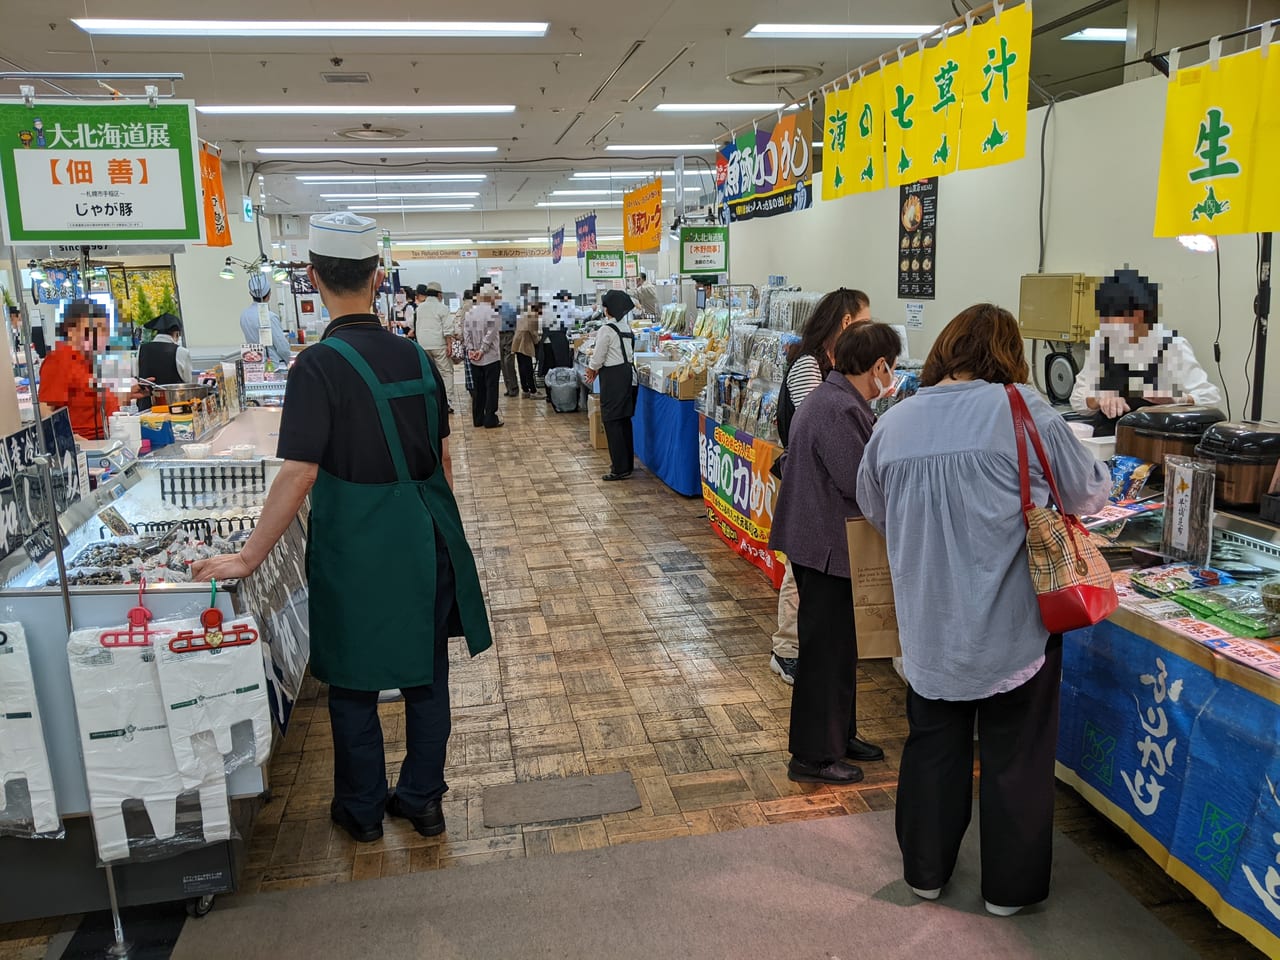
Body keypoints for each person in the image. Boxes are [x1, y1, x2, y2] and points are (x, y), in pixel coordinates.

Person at [192, 211, 492, 844]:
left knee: (353, 681)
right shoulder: (419, 358)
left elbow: (299, 473)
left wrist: (246, 557)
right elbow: (441, 465)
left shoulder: (316, 367)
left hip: (356, 546)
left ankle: (360, 812)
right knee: (425, 673)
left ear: (312, 278)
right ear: (378, 278)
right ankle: (423, 801)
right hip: (425, 536)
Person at [858, 304, 1110, 916]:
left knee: (931, 748)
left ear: (946, 349)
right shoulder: (1024, 410)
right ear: (1009, 353)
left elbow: (873, 507)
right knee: (1016, 758)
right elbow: (1089, 490)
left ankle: (924, 873)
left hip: (928, 623)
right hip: (1015, 625)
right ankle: (1009, 892)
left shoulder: (895, 420)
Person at [769, 321, 900, 787]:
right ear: (879, 365)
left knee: (841, 649)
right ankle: (813, 754)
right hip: (824, 545)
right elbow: (858, 481)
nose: (893, 375)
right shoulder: (839, 408)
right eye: (892, 366)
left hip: (820, 541)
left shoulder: (837, 397)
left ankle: (840, 735)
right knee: (825, 653)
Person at [770, 288, 871, 686]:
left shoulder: (826, 367)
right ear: (846, 323)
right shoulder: (810, 369)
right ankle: (787, 650)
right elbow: (823, 427)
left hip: (818, 493)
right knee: (800, 577)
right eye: (865, 320)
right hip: (812, 493)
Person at [1070, 268, 1221, 434]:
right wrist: (1099, 397)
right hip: (1108, 436)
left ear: (1140, 314)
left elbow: (1210, 399)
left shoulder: (1171, 345)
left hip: (1154, 440)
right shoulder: (1103, 341)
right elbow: (1078, 399)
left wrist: (1176, 398)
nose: (1106, 323)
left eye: (1113, 316)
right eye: (1104, 316)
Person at [38, 298, 120, 440]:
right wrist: (70, 438)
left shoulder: (90, 361)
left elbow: (86, 401)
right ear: (71, 330)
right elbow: (46, 409)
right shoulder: (60, 359)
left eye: (104, 330)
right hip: (85, 445)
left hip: (108, 439)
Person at [585, 290, 637, 481]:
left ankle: (619, 468)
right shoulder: (626, 328)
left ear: (609, 309)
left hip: (614, 379)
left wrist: (592, 369)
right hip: (629, 376)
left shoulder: (607, 330)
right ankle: (627, 464)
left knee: (612, 421)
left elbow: (598, 356)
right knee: (624, 421)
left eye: (605, 306)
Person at [463, 282, 503, 428]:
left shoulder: (470, 313)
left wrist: (471, 350)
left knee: (478, 389)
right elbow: (490, 335)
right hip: (490, 357)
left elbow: (466, 333)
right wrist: (482, 350)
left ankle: (478, 419)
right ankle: (490, 419)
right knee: (491, 388)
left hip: (474, 359)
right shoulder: (494, 313)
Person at [415, 282, 457, 413]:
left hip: (423, 345)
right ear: (439, 294)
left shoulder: (419, 308)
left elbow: (413, 325)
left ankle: (432, 402)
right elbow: (448, 329)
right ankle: (447, 402)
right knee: (446, 372)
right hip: (439, 345)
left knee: (429, 374)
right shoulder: (442, 308)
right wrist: (450, 344)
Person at [239, 273, 293, 367]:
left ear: (250, 294)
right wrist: (290, 360)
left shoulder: (244, 315)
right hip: (273, 365)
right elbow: (282, 347)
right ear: (269, 294)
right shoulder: (270, 317)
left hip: (254, 365)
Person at [138, 313, 192, 385]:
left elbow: (138, 375)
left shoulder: (141, 349)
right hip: (174, 395)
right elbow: (188, 381)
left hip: (146, 395)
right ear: (176, 334)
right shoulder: (182, 352)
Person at [513, 291, 542, 397]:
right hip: (525, 341)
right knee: (528, 366)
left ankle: (525, 389)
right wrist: (537, 341)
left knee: (521, 366)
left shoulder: (523, 310)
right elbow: (533, 331)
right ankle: (533, 391)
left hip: (517, 339)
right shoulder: (533, 311)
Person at [497, 293, 519, 397]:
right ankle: (509, 388)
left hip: (509, 334)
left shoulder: (507, 307)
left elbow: (516, 321)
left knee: (508, 362)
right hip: (498, 336)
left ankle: (514, 387)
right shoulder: (492, 309)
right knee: (502, 363)